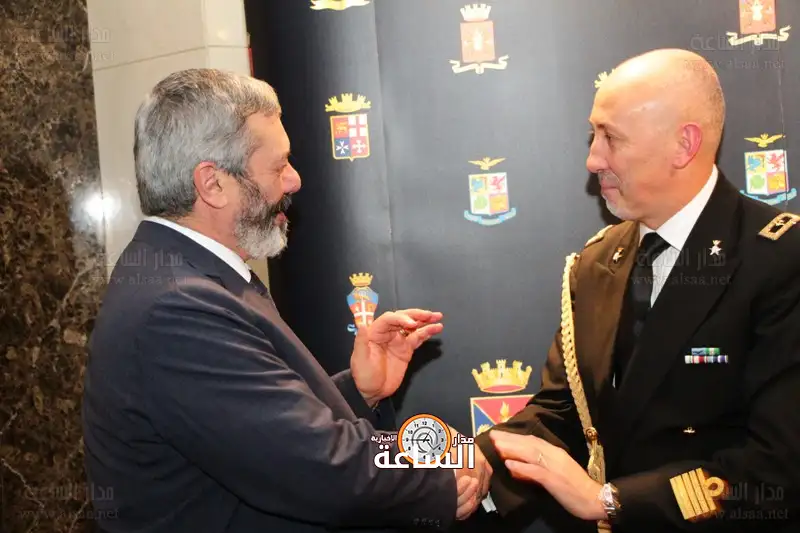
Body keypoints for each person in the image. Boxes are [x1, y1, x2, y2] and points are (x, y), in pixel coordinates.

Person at [81, 68, 490, 533]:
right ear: (212, 184)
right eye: (278, 167)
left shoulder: (188, 276)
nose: (294, 180)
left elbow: (262, 433)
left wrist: (359, 391)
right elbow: (319, 466)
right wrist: (438, 458)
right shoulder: (177, 308)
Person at [475, 48, 800, 533]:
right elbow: (565, 412)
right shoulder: (595, 263)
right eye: (593, 135)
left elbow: (779, 468)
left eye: (612, 138)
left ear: (683, 145)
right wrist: (470, 468)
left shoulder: (780, 261)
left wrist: (611, 501)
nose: (592, 159)